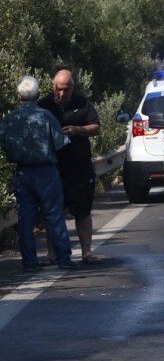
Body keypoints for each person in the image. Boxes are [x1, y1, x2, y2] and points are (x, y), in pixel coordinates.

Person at [0, 76, 75, 272]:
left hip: (23, 172)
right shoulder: (46, 116)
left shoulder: (10, 119)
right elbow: (60, 143)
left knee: (26, 218)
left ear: (18, 96)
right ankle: (63, 259)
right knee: (54, 216)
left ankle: (30, 262)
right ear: (38, 95)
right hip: (46, 172)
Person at [38, 70, 101, 263]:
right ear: (53, 86)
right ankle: (52, 253)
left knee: (82, 211)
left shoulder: (83, 103)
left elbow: (96, 127)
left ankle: (86, 252)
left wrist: (78, 130)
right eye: (59, 89)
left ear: (72, 88)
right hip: (54, 168)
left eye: (66, 90)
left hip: (80, 167)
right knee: (54, 212)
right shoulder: (44, 105)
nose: (62, 94)